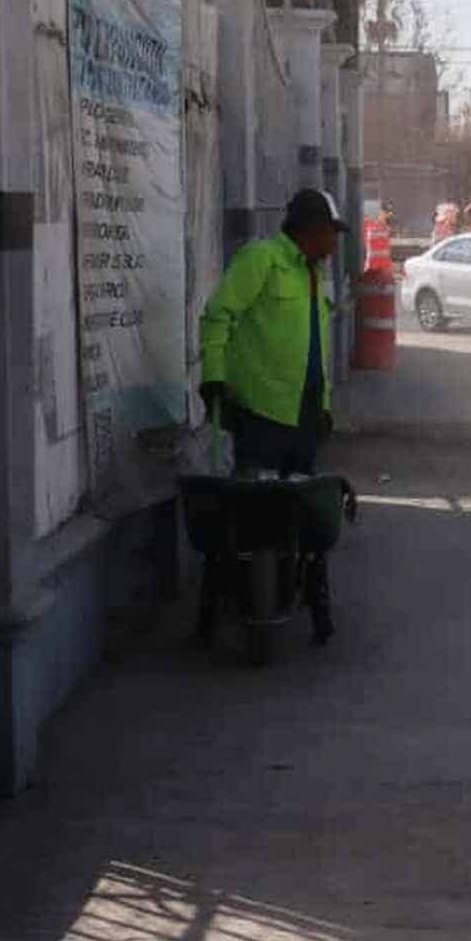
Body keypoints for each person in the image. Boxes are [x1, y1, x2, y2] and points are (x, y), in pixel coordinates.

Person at [197, 188, 347, 644]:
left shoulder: (314, 276)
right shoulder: (262, 260)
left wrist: (322, 409)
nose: (334, 244)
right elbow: (218, 315)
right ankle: (223, 610)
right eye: (330, 233)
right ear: (308, 230)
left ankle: (309, 600)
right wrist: (214, 375)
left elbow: (315, 352)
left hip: (301, 419)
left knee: (302, 520)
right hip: (260, 414)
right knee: (247, 520)